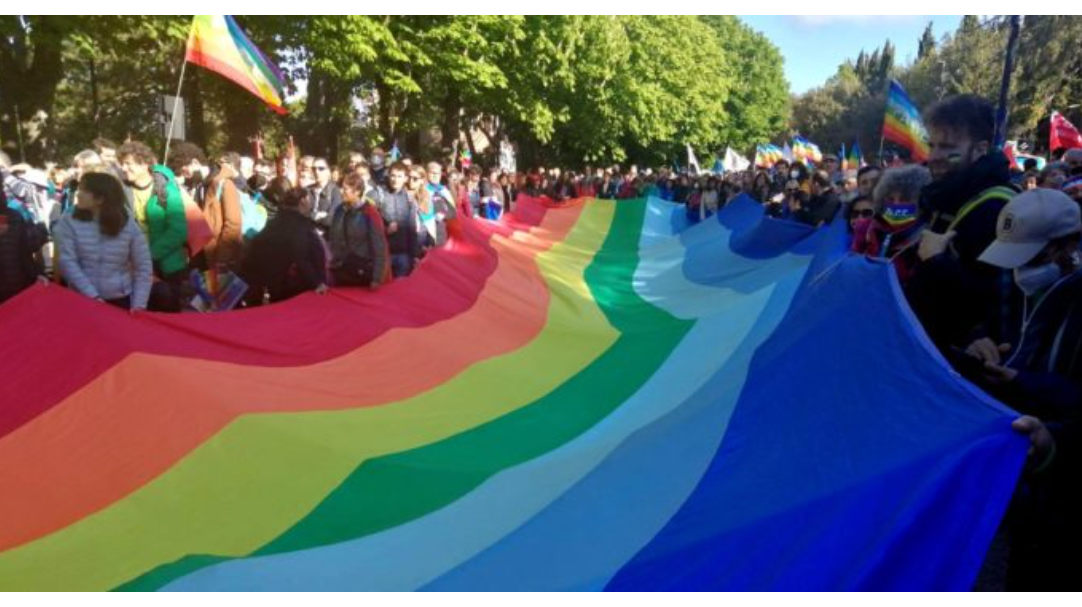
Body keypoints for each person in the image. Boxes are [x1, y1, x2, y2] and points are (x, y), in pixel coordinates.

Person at [907, 95, 1021, 351]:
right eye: (932, 145)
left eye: (947, 147)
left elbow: (998, 299)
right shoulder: (947, 196)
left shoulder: (998, 207)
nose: (933, 156)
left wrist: (938, 261)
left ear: (981, 149)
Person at [55, 172, 152, 312]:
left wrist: (139, 305)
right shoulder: (69, 220)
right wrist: (92, 296)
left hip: (120, 299)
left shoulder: (128, 224)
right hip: (81, 299)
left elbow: (143, 267)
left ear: (100, 199)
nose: (77, 194)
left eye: (83, 190)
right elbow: (67, 261)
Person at [117, 141, 188, 312]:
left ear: (145, 164)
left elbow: (178, 230)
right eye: (122, 164)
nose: (124, 169)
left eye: (129, 164)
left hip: (168, 269)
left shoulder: (167, 190)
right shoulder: (120, 192)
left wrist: (147, 255)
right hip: (132, 269)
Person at [243, 186, 328, 304]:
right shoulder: (299, 225)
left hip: (271, 279)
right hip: (289, 282)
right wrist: (317, 283)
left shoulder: (275, 221)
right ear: (302, 202)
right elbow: (301, 256)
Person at [851, 166, 932, 286]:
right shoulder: (869, 228)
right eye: (890, 199)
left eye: (905, 198)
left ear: (920, 200)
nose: (896, 204)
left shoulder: (927, 235)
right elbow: (853, 263)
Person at [328, 173, 389, 290]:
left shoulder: (370, 214)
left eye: (345, 189)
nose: (341, 191)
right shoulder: (339, 210)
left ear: (357, 191)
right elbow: (334, 237)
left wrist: (377, 278)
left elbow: (379, 247)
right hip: (341, 268)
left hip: (361, 270)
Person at [378, 163, 421, 278]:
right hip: (385, 254)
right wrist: (385, 230)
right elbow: (372, 225)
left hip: (404, 254)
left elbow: (412, 229)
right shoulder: (379, 196)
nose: (395, 179)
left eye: (399, 176)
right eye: (393, 175)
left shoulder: (410, 199)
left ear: (405, 178)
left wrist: (415, 255)